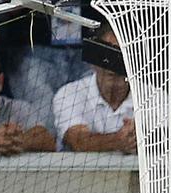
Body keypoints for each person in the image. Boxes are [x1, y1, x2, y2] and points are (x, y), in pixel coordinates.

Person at [51, 23, 134, 153]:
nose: (113, 64)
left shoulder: (155, 97)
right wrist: (118, 140)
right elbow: (78, 141)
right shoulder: (69, 94)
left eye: (120, 56)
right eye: (107, 55)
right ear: (93, 61)